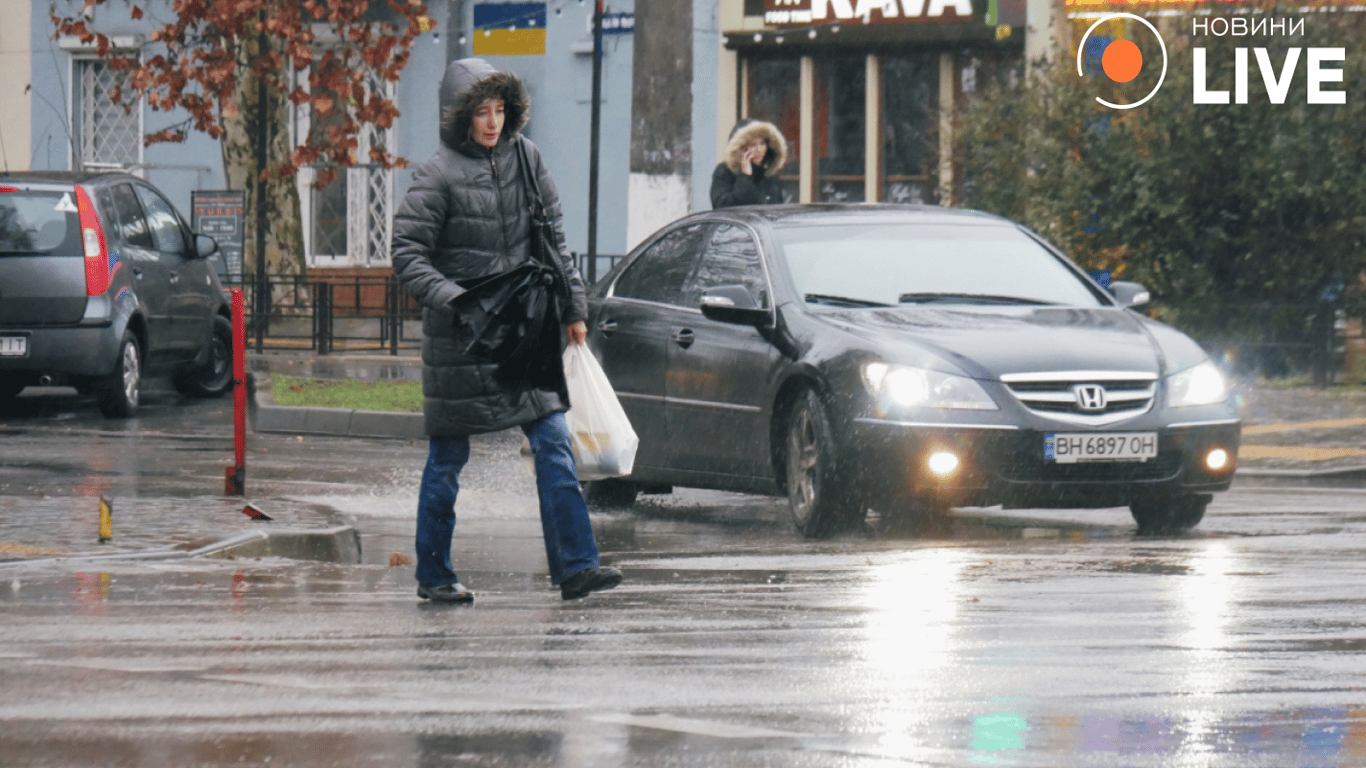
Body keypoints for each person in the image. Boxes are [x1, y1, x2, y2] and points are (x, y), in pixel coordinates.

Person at [390, 58, 622, 604]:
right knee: (447, 460)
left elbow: (553, 238)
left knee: (554, 443)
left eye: (499, 110)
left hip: (523, 330)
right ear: (460, 116)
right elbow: (407, 253)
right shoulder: (438, 175)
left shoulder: (527, 158)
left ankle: (576, 568)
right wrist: (456, 300)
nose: (492, 122)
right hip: (461, 340)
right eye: (481, 112)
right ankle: (435, 575)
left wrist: (573, 306)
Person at [710, 118, 788, 209]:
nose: (759, 149)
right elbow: (723, 208)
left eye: (762, 143)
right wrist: (745, 176)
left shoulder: (768, 175)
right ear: (740, 149)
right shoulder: (724, 172)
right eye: (753, 145)